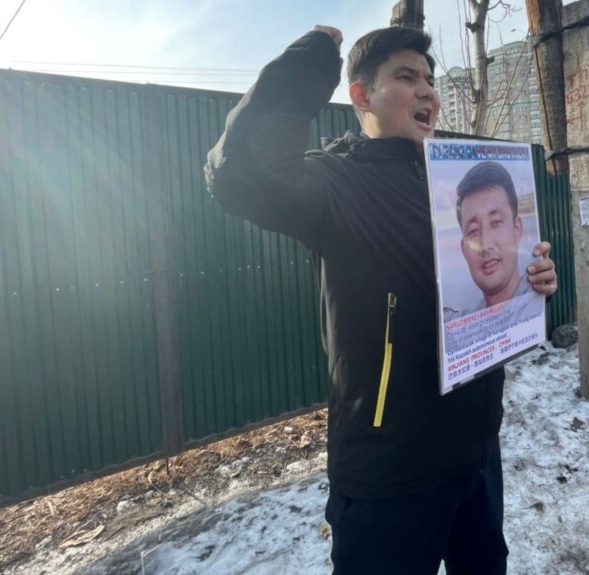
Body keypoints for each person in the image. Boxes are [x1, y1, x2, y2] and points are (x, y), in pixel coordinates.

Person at [205, 24, 557, 575]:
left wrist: (531, 286)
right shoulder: (334, 183)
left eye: (429, 79)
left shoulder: (455, 185)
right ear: (361, 97)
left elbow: (478, 292)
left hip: (475, 458)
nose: (427, 91)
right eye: (405, 77)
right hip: (390, 477)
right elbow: (239, 172)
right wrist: (315, 56)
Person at [443, 161, 546, 324]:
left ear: (517, 229)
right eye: (474, 231)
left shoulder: (541, 295)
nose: (485, 244)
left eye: (496, 222)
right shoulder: (466, 326)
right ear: (464, 250)